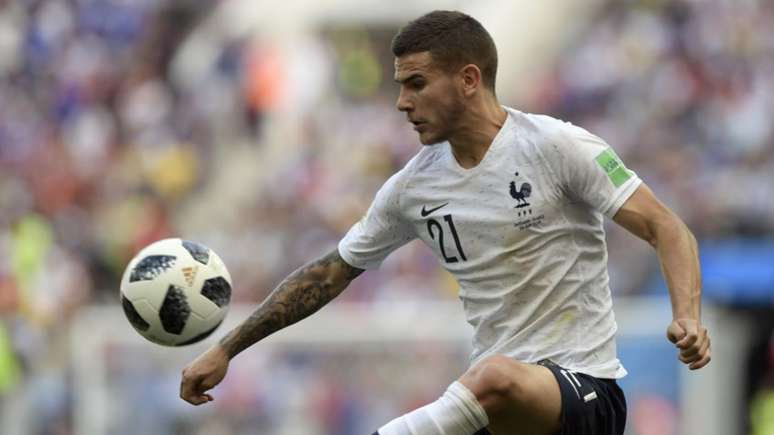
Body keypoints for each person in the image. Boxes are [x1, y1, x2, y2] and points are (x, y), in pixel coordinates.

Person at [179, 10, 711, 435]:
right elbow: (326, 275)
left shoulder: (556, 147)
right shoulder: (411, 188)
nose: (401, 103)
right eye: (400, 86)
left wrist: (687, 316)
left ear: (469, 80)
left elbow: (667, 227)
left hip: (583, 393)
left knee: (496, 379)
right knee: (491, 380)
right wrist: (227, 348)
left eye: (416, 84)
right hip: (496, 415)